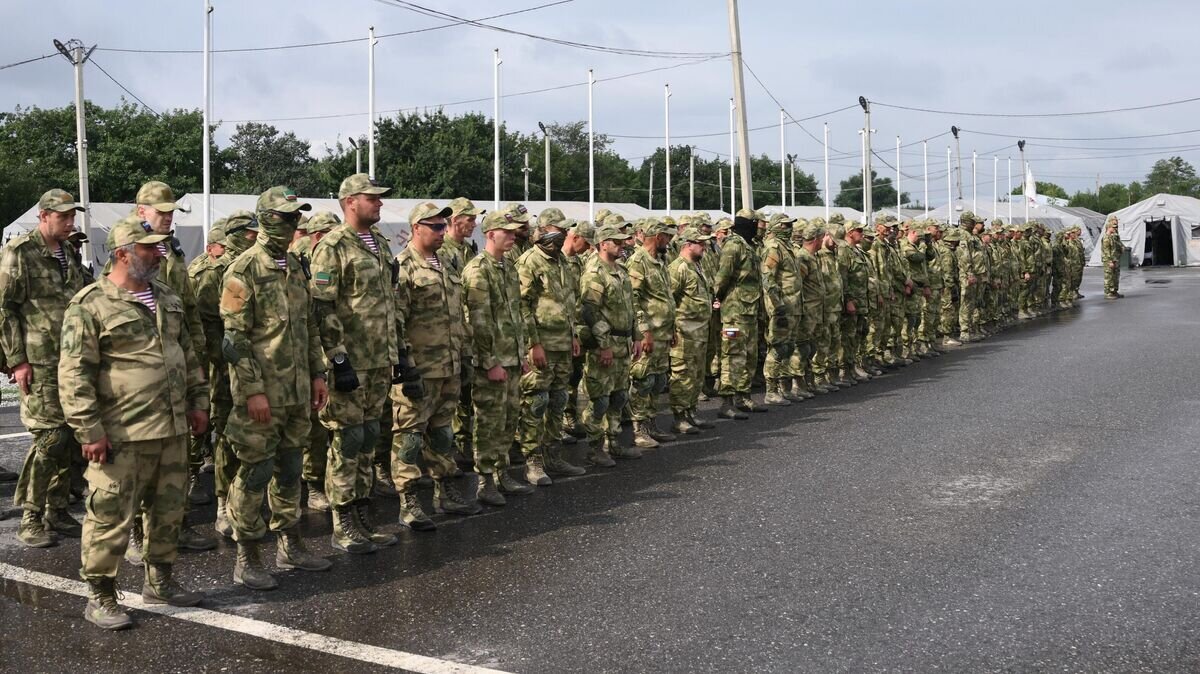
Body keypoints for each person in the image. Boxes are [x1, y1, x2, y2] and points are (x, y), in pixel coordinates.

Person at [59, 218, 210, 629]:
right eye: (148, 248)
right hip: (123, 432)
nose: (158, 254)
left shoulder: (167, 298)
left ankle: (160, 580)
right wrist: (89, 430)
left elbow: (187, 354)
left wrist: (199, 402)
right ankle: (101, 595)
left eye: (159, 247)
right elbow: (74, 374)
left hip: (172, 428)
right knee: (109, 515)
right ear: (123, 253)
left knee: (168, 510)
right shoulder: (90, 305)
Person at [220, 186, 332, 590]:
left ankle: (291, 543)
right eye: (286, 216)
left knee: (290, 470)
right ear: (266, 218)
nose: (293, 222)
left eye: (295, 216)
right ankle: (247, 556)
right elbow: (234, 339)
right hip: (263, 393)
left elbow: (309, 326)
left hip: (297, 391)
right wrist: (253, 391)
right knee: (256, 471)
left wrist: (318, 374)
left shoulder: (297, 266)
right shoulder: (244, 268)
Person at [309, 174, 400, 551]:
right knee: (347, 441)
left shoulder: (378, 242)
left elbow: (388, 303)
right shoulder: (332, 246)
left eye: (379, 198)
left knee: (367, 439)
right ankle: (342, 521)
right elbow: (322, 306)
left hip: (378, 361)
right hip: (350, 364)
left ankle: (363, 516)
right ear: (350, 202)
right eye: (372, 198)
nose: (379, 203)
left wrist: (396, 353)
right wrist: (338, 358)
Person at [0, 189, 91, 547]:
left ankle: (58, 508)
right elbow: (5, 309)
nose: (70, 222)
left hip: (73, 360)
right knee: (50, 438)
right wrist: (17, 360)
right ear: (44, 216)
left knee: (70, 436)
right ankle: (31, 516)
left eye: (72, 216)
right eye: (63, 216)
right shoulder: (20, 252)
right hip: (39, 362)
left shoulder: (68, 252)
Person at [391, 202, 480, 531]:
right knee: (410, 438)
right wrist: (406, 366)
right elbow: (396, 322)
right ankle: (409, 501)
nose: (443, 231)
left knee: (443, 434)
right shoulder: (403, 266)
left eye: (444, 226)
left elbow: (458, 316)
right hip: (420, 370)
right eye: (436, 226)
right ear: (416, 228)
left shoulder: (447, 263)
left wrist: (465, 356)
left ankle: (446, 492)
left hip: (449, 366)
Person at [464, 205, 531, 503]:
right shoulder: (478, 270)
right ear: (491, 234)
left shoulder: (508, 267)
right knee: (489, 421)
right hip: (491, 361)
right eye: (507, 231)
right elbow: (478, 322)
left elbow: (516, 315)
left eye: (515, 231)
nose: (514, 236)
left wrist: (521, 353)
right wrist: (490, 362)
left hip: (512, 358)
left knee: (508, 418)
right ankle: (485, 480)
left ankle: (503, 472)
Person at [516, 208, 586, 486]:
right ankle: (532, 461)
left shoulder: (563, 262)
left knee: (558, 401)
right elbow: (522, 307)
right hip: (541, 345)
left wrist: (574, 336)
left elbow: (569, 303)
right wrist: (533, 343)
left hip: (562, 344)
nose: (565, 234)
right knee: (536, 403)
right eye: (560, 229)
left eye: (566, 230)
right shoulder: (529, 262)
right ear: (544, 230)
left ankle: (553, 456)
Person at [204, 210, 258, 537]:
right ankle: (223, 502)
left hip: (254, 367)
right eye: (250, 232)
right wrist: (224, 361)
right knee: (227, 434)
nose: (256, 236)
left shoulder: (257, 265)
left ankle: (247, 500)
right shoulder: (218, 272)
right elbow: (207, 326)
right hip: (225, 369)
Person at [578, 223, 643, 464]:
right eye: (616, 241)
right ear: (603, 244)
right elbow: (590, 311)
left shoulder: (621, 270)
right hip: (605, 345)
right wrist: (603, 345)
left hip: (623, 342)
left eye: (622, 241)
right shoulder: (595, 272)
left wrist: (636, 336)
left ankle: (613, 442)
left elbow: (630, 307)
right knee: (600, 399)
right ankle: (594, 447)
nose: (622, 245)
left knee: (619, 396)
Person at [289, 212, 339, 512]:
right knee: (314, 427)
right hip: (309, 352)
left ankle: (327, 481)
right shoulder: (299, 259)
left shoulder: (328, 257)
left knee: (332, 423)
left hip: (329, 348)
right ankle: (313, 484)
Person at [626, 217, 679, 445]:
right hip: (649, 334)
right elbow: (634, 300)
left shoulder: (660, 261)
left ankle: (651, 423)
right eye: (666, 237)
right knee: (643, 380)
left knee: (658, 381)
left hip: (663, 332)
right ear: (658, 237)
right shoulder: (639, 261)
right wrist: (644, 331)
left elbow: (665, 297)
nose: (669, 241)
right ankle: (639, 429)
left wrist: (672, 328)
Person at [442, 197, 481, 471]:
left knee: (467, 392)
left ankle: (465, 443)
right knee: (450, 397)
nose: (474, 224)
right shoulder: (442, 250)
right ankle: (452, 448)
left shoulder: (468, 250)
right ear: (455, 220)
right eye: (470, 219)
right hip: (452, 334)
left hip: (469, 334)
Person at [713, 209, 765, 417]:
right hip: (734, 313)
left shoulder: (749, 245)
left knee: (749, 355)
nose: (758, 228)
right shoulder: (733, 245)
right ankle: (726, 402)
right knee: (732, 354)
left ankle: (743, 397)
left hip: (750, 311)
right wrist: (718, 298)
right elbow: (722, 277)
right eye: (755, 224)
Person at [668, 227, 717, 432]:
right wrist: (671, 329)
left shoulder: (697, 266)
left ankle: (691, 412)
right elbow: (669, 300)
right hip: (684, 332)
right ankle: (679, 417)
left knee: (697, 375)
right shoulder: (678, 268)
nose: (705, 246)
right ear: (688, 245)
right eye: (701, 243)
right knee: (682, 375)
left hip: (700, 331)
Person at [759, 213, 800, 405]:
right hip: (781, 307)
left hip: (793, 305)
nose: (789, 229)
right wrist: (778, 305)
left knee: (788, 347)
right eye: (784, 226)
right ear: (775, 227)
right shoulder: (773, 247)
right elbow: (768, 278)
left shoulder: (787, 247)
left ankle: (785, 387)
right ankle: (771, 391)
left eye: (790, 225)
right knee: (777, 347)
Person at [1102, 216, 1124, 299]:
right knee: (1109, 276)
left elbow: (1117, 245)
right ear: (1109, 227)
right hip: (1109, 259)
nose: (1115, 229)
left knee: (1115, 276)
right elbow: (1106, 251)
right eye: (1113, 227)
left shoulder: (1113, 236)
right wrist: (1110, 261)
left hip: (1115, 258)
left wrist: (1121, 248)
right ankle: (1108, 292)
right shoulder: (1106, 237)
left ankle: (1114, 291)